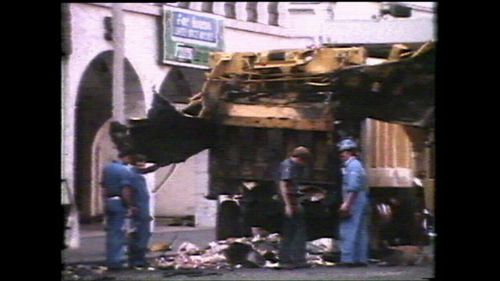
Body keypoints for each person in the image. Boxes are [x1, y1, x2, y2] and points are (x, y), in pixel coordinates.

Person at [275, 146, 312, 269]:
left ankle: (292, 259)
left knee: (292, 231)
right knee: (292, 231)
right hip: (291, 203)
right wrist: (288, 205)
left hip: (292, 202)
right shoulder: (289, 166)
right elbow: (284, 185)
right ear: (301, 159)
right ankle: (289, 260)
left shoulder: (287, 164)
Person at [337, 138, 370, 267]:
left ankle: (347, 259)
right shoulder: (358, 165)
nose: (341, 155)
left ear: (350, 152)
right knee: (361, 230)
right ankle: (360, 258)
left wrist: (347, 204)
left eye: (343, 152)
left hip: (354, 200)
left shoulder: (352, 166)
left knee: (348, 228)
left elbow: (353, 187)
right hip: (362, 199)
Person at [101, 150, 136, 270]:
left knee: (110, 233)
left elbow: (104, 188)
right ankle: (116, 261)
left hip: (109, 201)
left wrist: (105, 203)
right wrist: (130, 205)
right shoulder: (124, 171)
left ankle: (110, 259)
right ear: (126, 157)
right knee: (119, 233)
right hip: (119, 203)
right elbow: (125, 191)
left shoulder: (107, 169)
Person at [127, 154, 159, 268]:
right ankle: (137, 260)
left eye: (143, 162)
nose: (142, 165)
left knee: (140, 235)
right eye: (140, 162)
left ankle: (137, 259)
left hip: (142, 209)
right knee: (140, 235)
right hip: (139, 210)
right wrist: (132, 207)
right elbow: (129, 192)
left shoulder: (136, 173)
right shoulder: (133, 175)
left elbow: (146, 170)